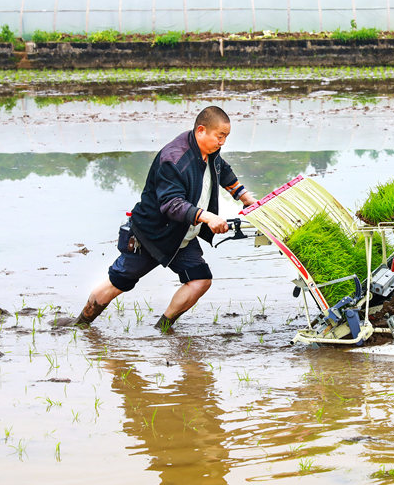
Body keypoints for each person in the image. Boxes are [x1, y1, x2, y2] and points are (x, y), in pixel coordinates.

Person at [58, 106, 257, 332]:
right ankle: (80, 324)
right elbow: (171, 204)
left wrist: (244, 196)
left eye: (226, 137)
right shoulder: (174, 158)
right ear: (201, 130)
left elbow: (222, 169)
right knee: (118, 283)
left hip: (182, 234)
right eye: (219, 136)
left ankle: (163, 328)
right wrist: (208, 217)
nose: (222, 142)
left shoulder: (210, 151)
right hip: (152, 235)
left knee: (200, 280)